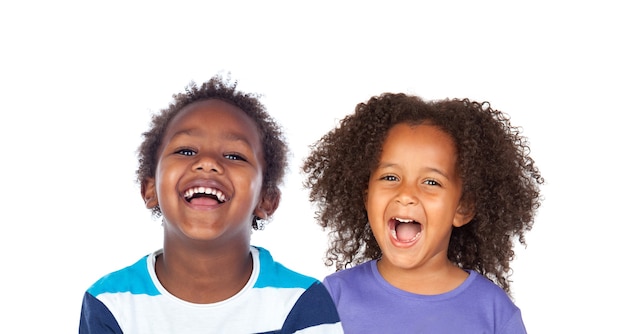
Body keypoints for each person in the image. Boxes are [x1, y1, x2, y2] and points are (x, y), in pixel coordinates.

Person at [79, 74, 342, 333]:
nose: (208, 162)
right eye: (185, 151)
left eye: (234, 155)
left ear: (266, 200)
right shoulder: (109, 303)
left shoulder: (301, 303)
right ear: (150, 189)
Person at [302, 93, 543, 333]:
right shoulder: (334, 297)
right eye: (390, 177)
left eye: (431, 182)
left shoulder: (494, 312)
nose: (406, 194)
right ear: (367, 196)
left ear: (463, 207)